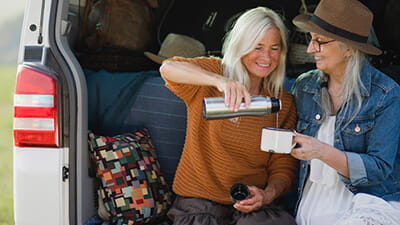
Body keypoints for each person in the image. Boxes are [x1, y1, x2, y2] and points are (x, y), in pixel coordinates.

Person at [159, 6, 298, 225]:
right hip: (199, 204)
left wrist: (267, 195)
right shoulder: (213, 74)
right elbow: (168, 68)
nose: (267, 57)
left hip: (253, 206)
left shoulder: (281, 102)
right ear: (241, 46)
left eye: (274, 48)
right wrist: (220, 81)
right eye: (257, 47)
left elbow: (283, 165)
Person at [290, 0, 400, 224]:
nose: (311, 49)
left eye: (320, 41)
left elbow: (378, 169)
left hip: (370, 202)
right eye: (310, 39)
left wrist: (321, 151)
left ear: (349, 48)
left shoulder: (387, 94)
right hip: (310, 202)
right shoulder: (304, 87)